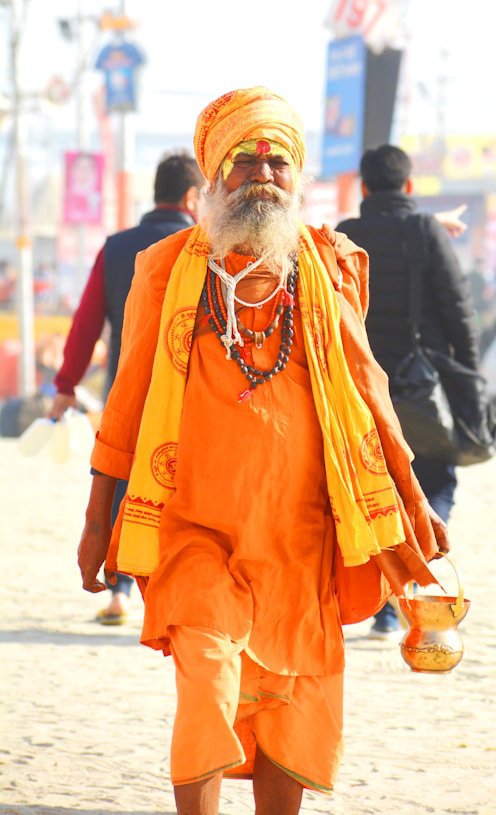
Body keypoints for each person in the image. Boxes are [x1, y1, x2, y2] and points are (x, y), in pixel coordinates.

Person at [77, 88, 449, 814]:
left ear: (298, 174)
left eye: (277, 160)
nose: (263, 173)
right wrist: (97, 521)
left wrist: (411, 501)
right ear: (212, 178)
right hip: (196, 533)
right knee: (208, 676)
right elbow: (126, 400)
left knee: (293, 706)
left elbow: (367, 394)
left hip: (302, 538)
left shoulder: (328, 267)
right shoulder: (166, 268)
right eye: (244, 159)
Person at [51, 151, 203, 625]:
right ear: (192, 196)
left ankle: (120, 593)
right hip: (192, 390)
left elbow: (87, 322)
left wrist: (66, 384)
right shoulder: (202, 244)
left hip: (128, 384)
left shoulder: (118, 247)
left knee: (122, 473)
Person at [336, 145, 479, 640]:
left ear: (365, 188)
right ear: (410, 187)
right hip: (425, 391)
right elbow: (459, 311)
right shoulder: (425, 232)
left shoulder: (345, 234)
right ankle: (421, 579)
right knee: (436, 478)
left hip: (361, 390)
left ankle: (384, 607)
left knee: (379, 490)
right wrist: (470, 383)